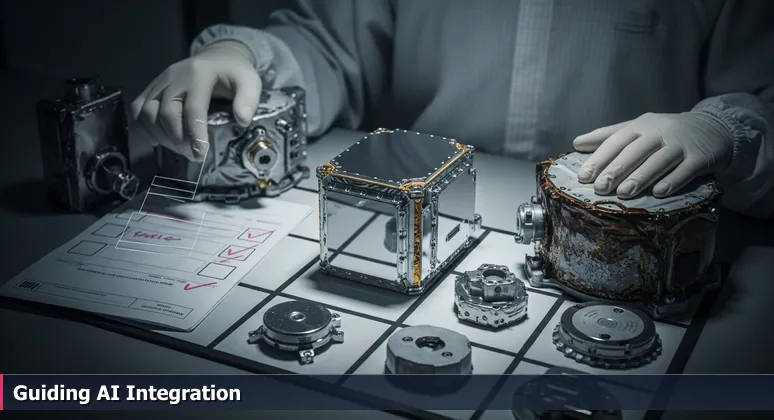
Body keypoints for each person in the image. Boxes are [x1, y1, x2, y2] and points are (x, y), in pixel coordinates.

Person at [132, 0, 774, 218]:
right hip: (411, 199)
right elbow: (332, 48)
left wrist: (725, 126)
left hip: (622, 223)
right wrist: (245, 56)